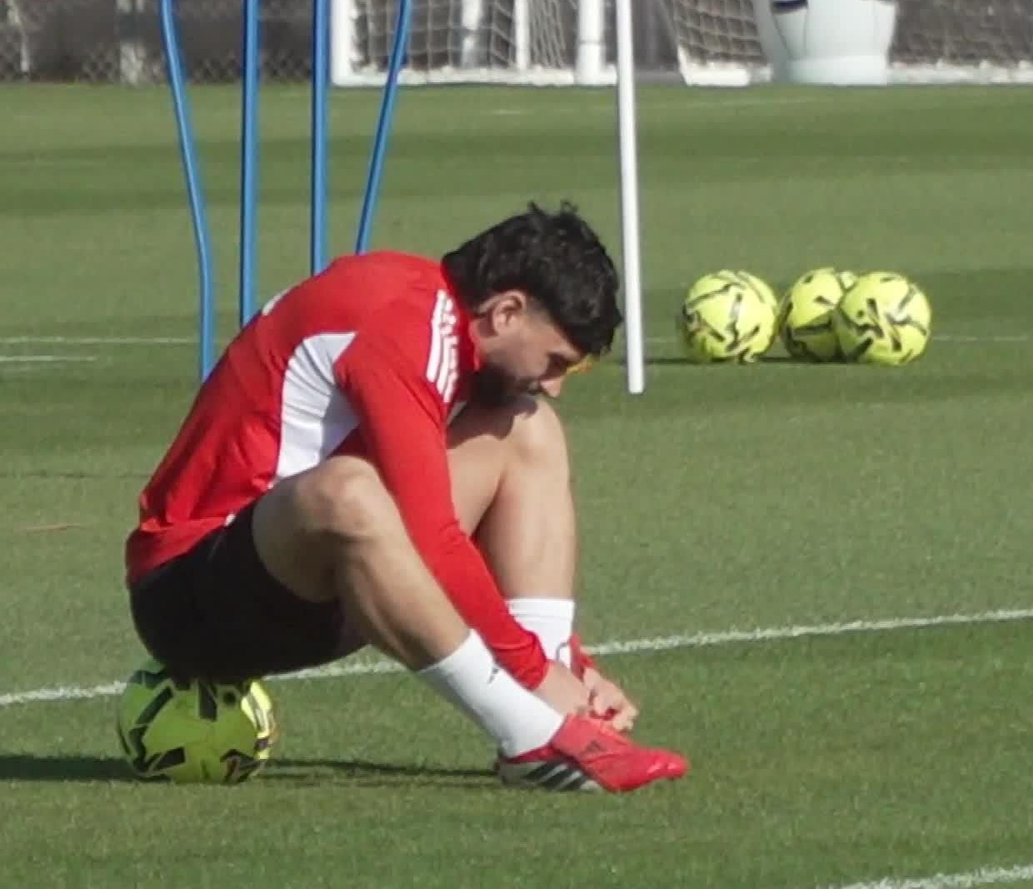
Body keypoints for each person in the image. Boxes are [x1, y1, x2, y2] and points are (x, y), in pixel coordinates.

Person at [124, 201, 687, 793]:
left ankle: (560, 719)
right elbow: (430, 534)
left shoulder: (438, 324)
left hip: (307, 587)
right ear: (507, 311)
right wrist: (533, 670)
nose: (554, 384)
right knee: (348, 491)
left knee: (527, 426)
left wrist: (569, 665)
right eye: (554, 361)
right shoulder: (398, 317)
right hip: (190, 597)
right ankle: (528, 735)